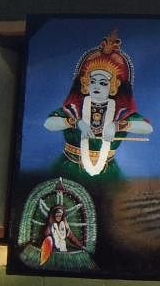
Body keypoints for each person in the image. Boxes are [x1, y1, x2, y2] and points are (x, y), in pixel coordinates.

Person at [43, 29, 152, 179]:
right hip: (70, 167)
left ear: (113, 87)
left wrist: (117, 126)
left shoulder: (120, 113)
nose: (96, 86)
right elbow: (49, 123)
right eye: (92, 81)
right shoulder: (75, 109)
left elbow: (147, 128)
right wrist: (75, 123)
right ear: (85, 84)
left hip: (107, 171)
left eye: (103, 83)